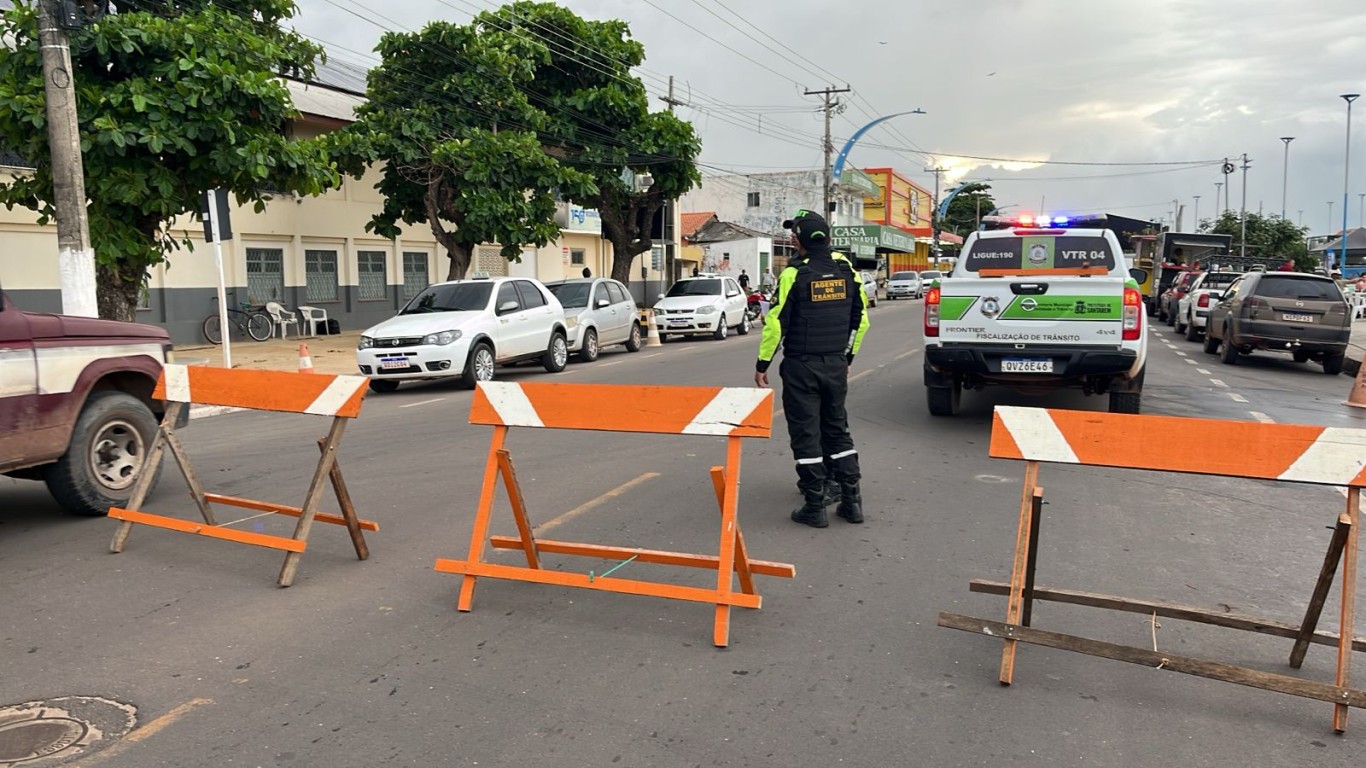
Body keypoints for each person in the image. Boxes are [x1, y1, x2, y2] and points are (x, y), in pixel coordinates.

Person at [755, 209, 870, 527]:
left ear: (798, 240)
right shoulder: (847, 269)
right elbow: (861, 320)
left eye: (794, 234)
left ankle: (815, 504)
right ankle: (852, 501)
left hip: (801, 366)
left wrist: (763, 363)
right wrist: (847, 358)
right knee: (837, 431)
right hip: (835, 364)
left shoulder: (794, 274)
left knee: (806, 434)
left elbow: (776, 323)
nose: (792, 238)